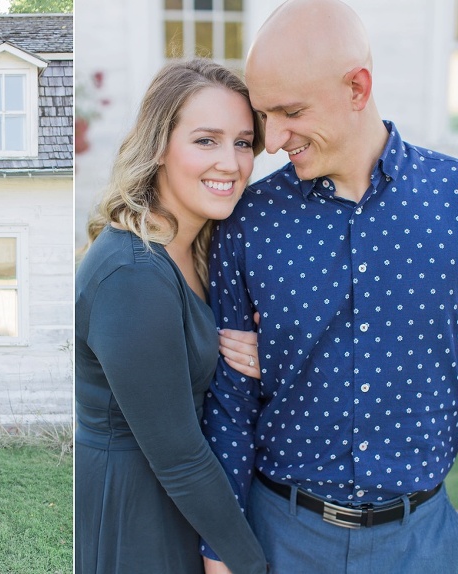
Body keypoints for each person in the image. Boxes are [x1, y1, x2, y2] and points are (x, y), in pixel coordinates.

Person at [203, 0, 458, 572]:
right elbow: (229, 406)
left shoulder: (452, 202)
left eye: (290, 112)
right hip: (282, 538)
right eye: (264, 115)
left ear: (358, 88)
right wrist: (219, 550)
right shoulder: (249, 220)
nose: (272, 141)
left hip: (426, 545)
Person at [75, 57, 268, 574]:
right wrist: (250, 562)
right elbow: (179, 454)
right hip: (136, 511)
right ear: (159, 146)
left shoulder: (201, 245)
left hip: (184, 502)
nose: (230, 162)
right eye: (206, 140)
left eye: (244, 142)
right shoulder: (132, 272)